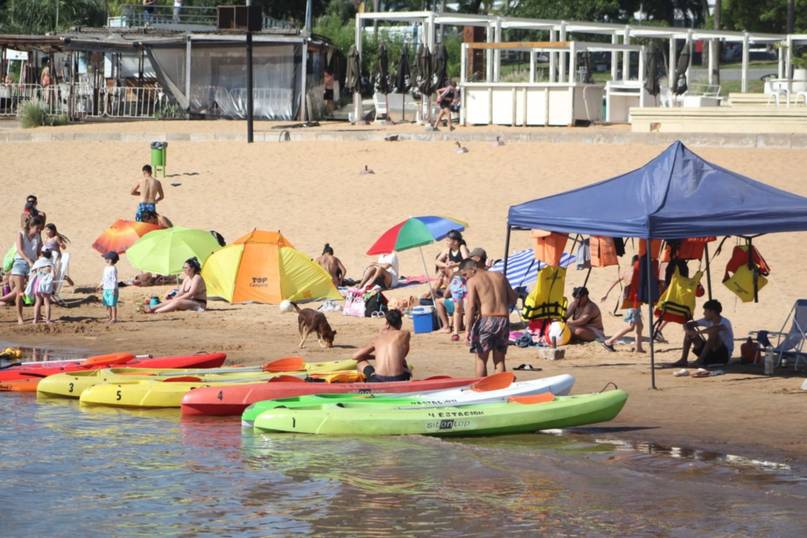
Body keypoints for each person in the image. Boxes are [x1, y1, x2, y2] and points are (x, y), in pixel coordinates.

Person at [462, 258, 516, 377]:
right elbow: (513, 298)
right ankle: (500, 388)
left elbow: (470, 306)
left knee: (481, 360)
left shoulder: (473, 281)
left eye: (465, 274)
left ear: (473, 269)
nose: (465, 278)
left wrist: (467, 330)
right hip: (503, 319)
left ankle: (482, 390)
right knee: (500, 360)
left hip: (486, 320)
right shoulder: (500, 276)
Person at [3, 216, 43, 324]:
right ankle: (20, 317)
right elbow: (20, 250)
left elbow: (40, 251)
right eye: (37, 228)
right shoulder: (21, 233)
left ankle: (37, 315)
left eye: (40, 228)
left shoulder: (38, 236)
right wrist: (28, 260)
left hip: (33, 265)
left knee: (36, 290)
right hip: (20, 263)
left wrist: (42, 259)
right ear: (31, 226)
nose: (39, 230)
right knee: (20, 292)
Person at [352, 309, 412, 382]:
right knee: (402, 360)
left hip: (378, 380)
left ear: (387, 324)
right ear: (400, 323)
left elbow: (355, 356)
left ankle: (369, 378)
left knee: (360, 361)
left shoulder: (377, 339)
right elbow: (403, 354)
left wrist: (375, 357)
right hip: (398, 378)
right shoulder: (405, 334)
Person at [601, 255, 644, 353]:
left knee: (639, 325)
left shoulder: (628, 271)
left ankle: (639, 348)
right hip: (633, 302)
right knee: (631, 326)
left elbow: (616, 281)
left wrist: (606, 294)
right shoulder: (636, 272)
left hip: (631, 302)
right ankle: (609, 341)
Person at [673, 299, 734, 367]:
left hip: (722, 356)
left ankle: (700, 360)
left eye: (705, 311)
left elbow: (714, 329)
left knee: (713, 333)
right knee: (690, 332)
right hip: (710, 354)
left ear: (712, 312)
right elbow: (689, 325)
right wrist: (687, 330)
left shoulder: (725, 322)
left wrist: (697, 333)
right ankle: (683, 359)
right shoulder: (707, 320)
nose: (704, 313)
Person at [26, 249, 55, 324]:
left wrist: (29, 283)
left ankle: (35, 319)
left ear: (41, 254)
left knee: (38, 302)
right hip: (46, 284)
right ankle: (48, 320)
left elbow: (31, 274)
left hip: (37, 283)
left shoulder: (37, 262)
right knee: (47, 302)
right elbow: (53, 275)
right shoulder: (50, 263)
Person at [99, 251, 119, 323]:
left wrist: (114, 289)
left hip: (112, 289)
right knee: (107, 303)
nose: (105, 259)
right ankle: (109, 317)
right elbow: (104, 278)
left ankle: (114, 318)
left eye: (106, 258)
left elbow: (114, 279)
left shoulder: (113, 269)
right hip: (106, 288)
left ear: (110, 260)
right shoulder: (106, 268)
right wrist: (101, 284)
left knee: (112, 304)